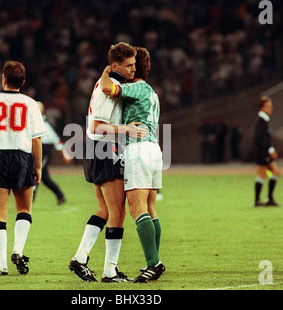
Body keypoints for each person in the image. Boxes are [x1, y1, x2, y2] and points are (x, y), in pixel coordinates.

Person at [69, 42, 146, 283]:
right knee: (118, 212)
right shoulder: (108, 88)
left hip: (97, 149)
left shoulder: (109, 82)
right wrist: (127, 130)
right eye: (129, 65)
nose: (134, 69)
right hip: (104, 149)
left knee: (104, 209)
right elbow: (96, 126)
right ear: (115, 66)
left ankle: (81, 258)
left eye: (134, 64)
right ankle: (109, 271)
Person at [0, 60, 45, 276]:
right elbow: (36, 140)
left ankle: (2, 265)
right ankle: (18, 250)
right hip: (22, 157)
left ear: (3, 79)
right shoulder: (31, 103)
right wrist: (38, 167)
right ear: (22, 82)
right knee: (24, 209)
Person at [101, 46, 165, 283]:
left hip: (138, 149)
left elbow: (107, 87)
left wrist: (109, 68)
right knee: (150, 208)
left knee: (136, 209)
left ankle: (153, 263)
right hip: (154, 149)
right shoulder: (152, 92)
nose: (130, 68)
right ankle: (153, 260)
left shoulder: (135, 87)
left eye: (132, 65)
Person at [32, 101, 66, 206]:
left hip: (44, 151)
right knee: (44, 177)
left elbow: (56, 139)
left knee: (35, 174)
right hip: (34, 150)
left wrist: (64, 153)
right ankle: (60, 196)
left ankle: (29, 201)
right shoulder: (32, 123)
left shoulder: (45, 124)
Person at [253, 96, 280, 206]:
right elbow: (261, 139)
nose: (271, 108)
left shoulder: (264, 120)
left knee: (273, 172)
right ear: (262, 108)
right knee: (262, 174)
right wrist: (270, 150)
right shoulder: (261, 121)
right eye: (269, 106)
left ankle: (267, 199)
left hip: (263, 152)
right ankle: (259, 200)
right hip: (262, 153)